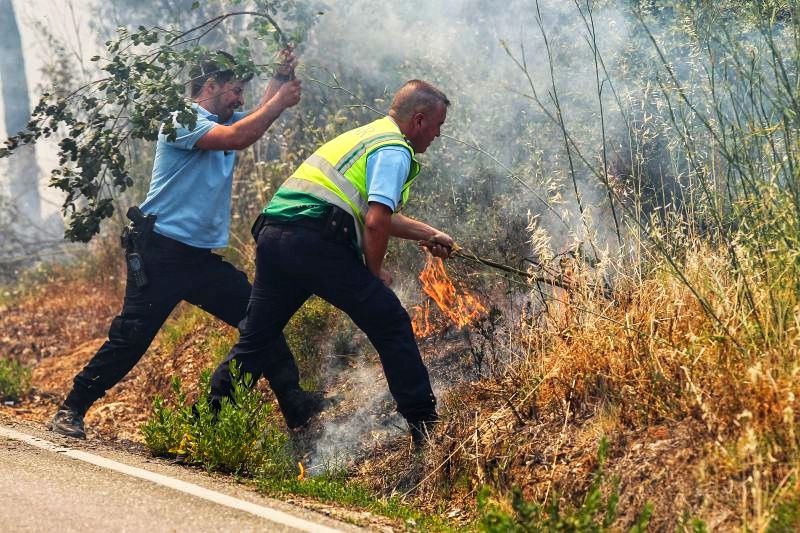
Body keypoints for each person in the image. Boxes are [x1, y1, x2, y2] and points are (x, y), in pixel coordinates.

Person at [50, 50, 318, 439]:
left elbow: (254, 119)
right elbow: (242, 134)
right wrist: (280, 100)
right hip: (160, 253)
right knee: (131, 338)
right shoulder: (183, 119)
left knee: (261, 319)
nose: (240, 101)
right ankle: (71, 408)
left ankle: (295, 407)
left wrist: (279, 75)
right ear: (209, 86)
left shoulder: (222, 122)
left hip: (197, 259)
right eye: (234, 92)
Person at [208, 79, 454, 446]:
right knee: (391, 321)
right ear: (419, 120)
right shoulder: (394, 149)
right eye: (438, 125)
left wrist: (429, 233)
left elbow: (373, 212)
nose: (438, 135)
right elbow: (375, 221)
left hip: (276, 236)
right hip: (315, 241)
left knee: (256, 339)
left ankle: (207, 425)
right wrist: (372, 273)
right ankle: (426, 430)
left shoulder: (369, 136)